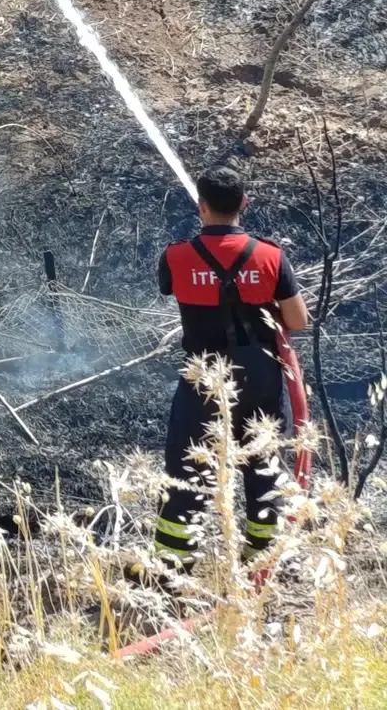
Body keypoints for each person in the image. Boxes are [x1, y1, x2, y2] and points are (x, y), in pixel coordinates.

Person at [152, 165, 308, 570]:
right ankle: (264, 561)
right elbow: (297, 321)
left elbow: (170, 288)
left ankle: (172, 566)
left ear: (201, 206)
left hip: (203, 376)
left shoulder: (175, 256)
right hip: (261, 376)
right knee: (264, 463)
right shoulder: (271, 256)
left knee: (189, 466)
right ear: (244, 203)